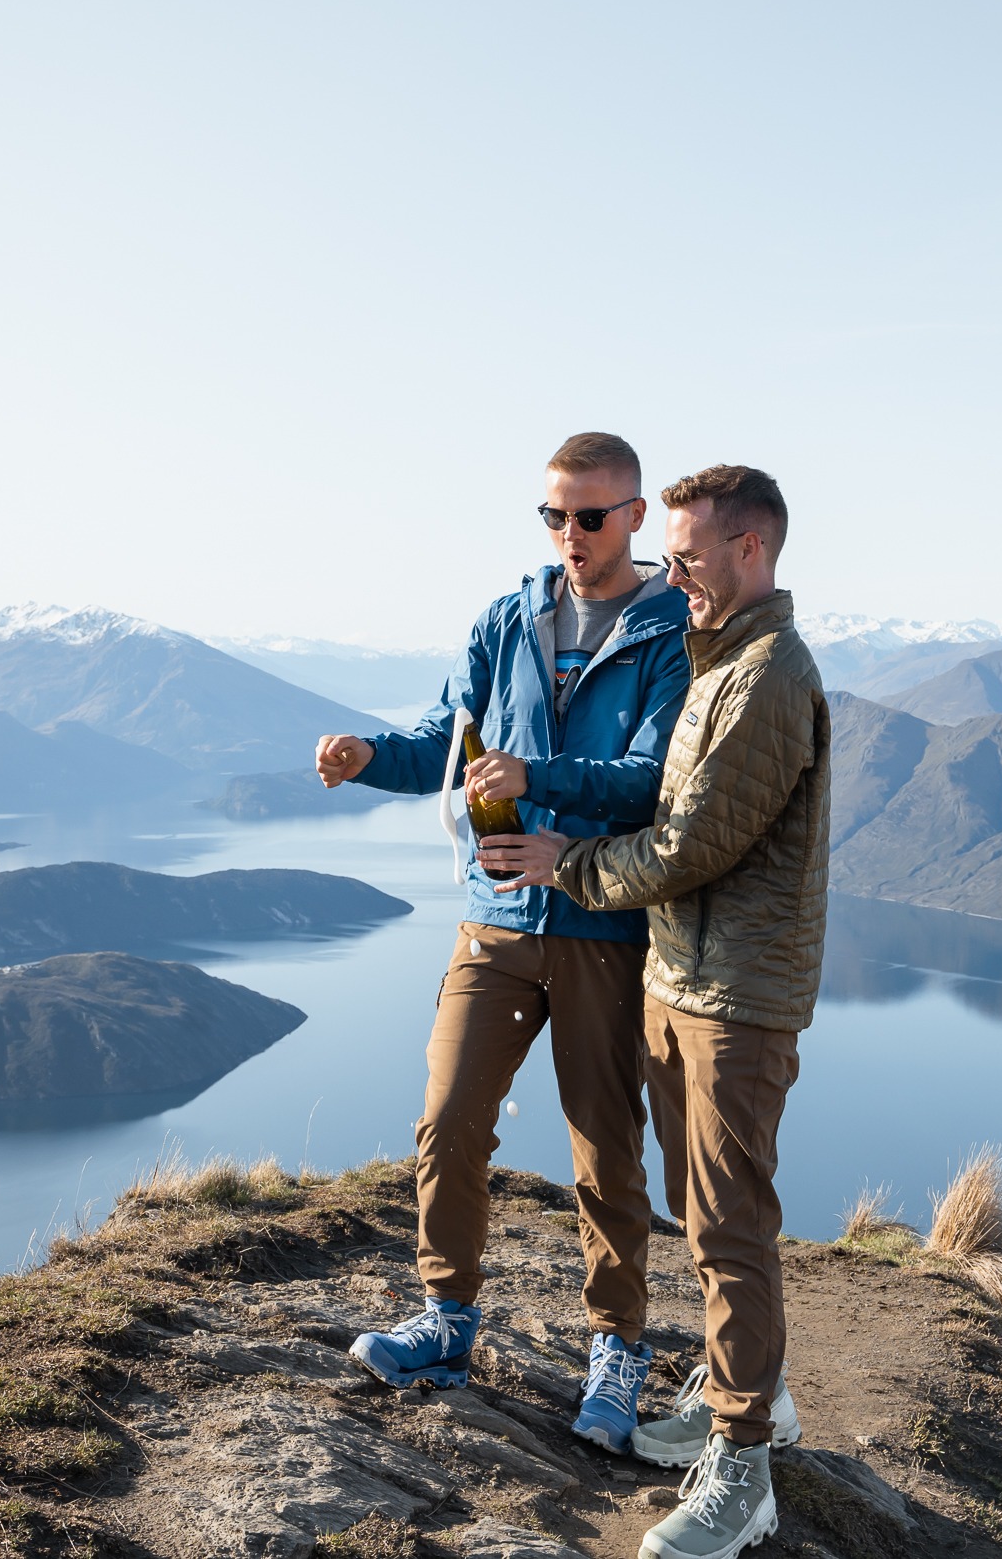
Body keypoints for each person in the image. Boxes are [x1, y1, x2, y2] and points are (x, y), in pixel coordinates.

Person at [315, 431, 692, 1454]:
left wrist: (539, 777)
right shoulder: (506, 618)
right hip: (495, 919)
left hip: (602, 924)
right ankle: (445, 1319)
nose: (570, 535)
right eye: (554, 516)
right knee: (448, 1120)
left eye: (590, 516)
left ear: (634, 516)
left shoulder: (670, 634)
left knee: (604, 1150)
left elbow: (653, 778)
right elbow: (450, 738)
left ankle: (616, 1347)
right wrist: (366, 758)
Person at [479, 463, 829, 1559]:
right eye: (667, 555)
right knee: (701, 1205)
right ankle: (749, 1400)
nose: (667, 574)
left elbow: (693, 845)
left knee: (728, 1229)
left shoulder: (766, 673)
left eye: (683, 556)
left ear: (749, 552)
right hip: (682, 979)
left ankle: (744, 1471)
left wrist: (564, 862)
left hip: (737, 997)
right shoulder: (712, 657)